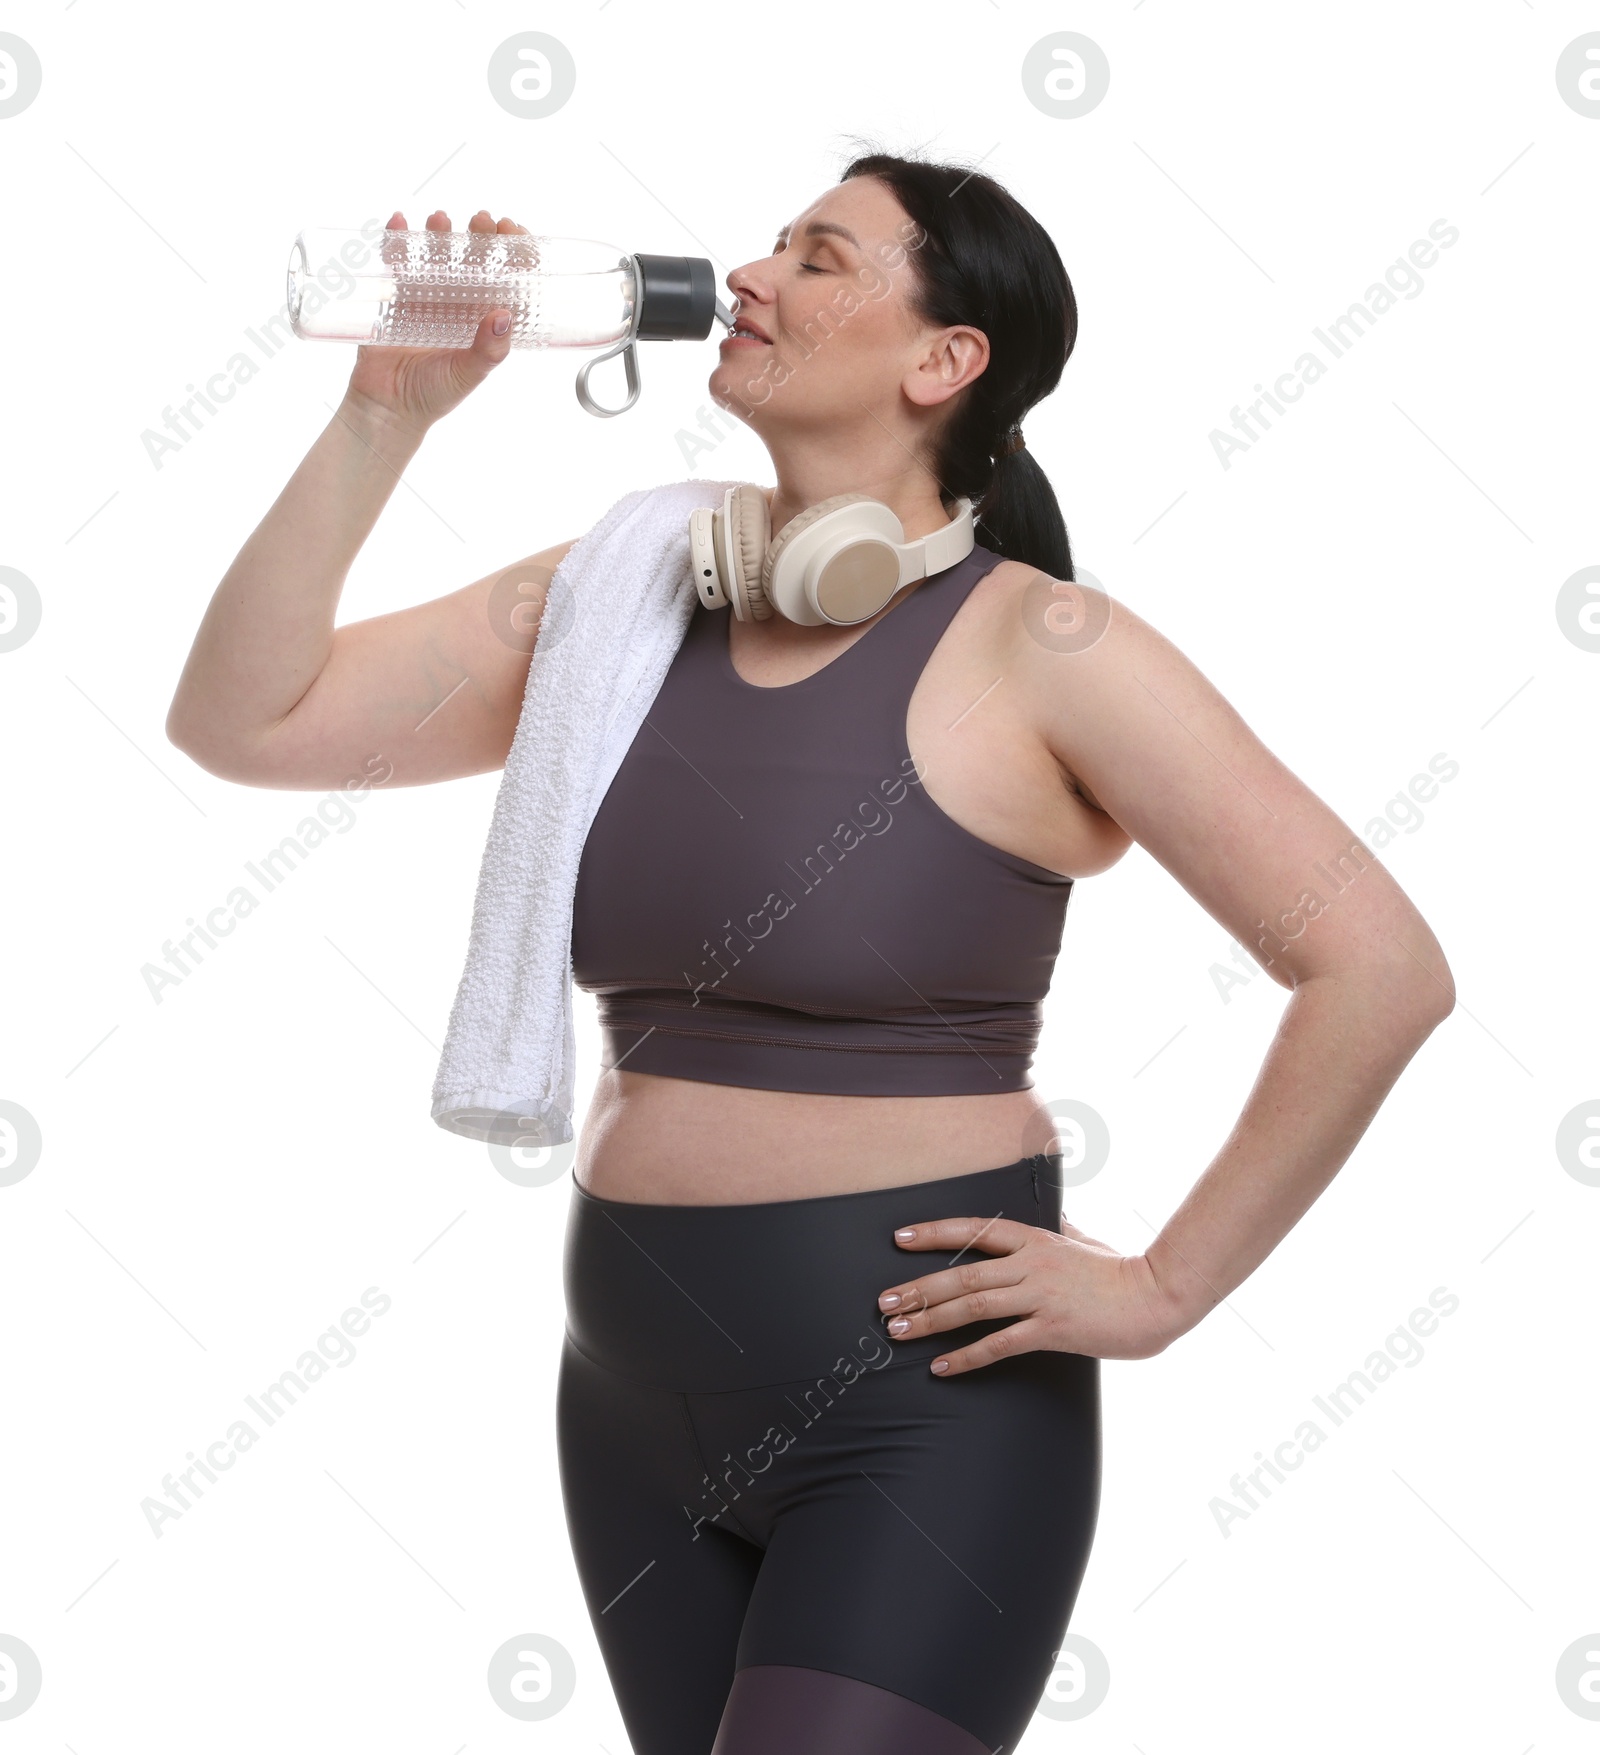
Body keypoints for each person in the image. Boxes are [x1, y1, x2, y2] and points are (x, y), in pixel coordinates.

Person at [166, 151, 1455, 1754]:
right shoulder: (616, 600)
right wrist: (385, 419)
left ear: (944, 362)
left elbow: (1380, 967)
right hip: (627, 1401)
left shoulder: (1050, 648)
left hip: (921, 1418)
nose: (755, 276)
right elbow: (242, 721)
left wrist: (1166, 1288)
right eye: (774, 244)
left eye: (822, 257)